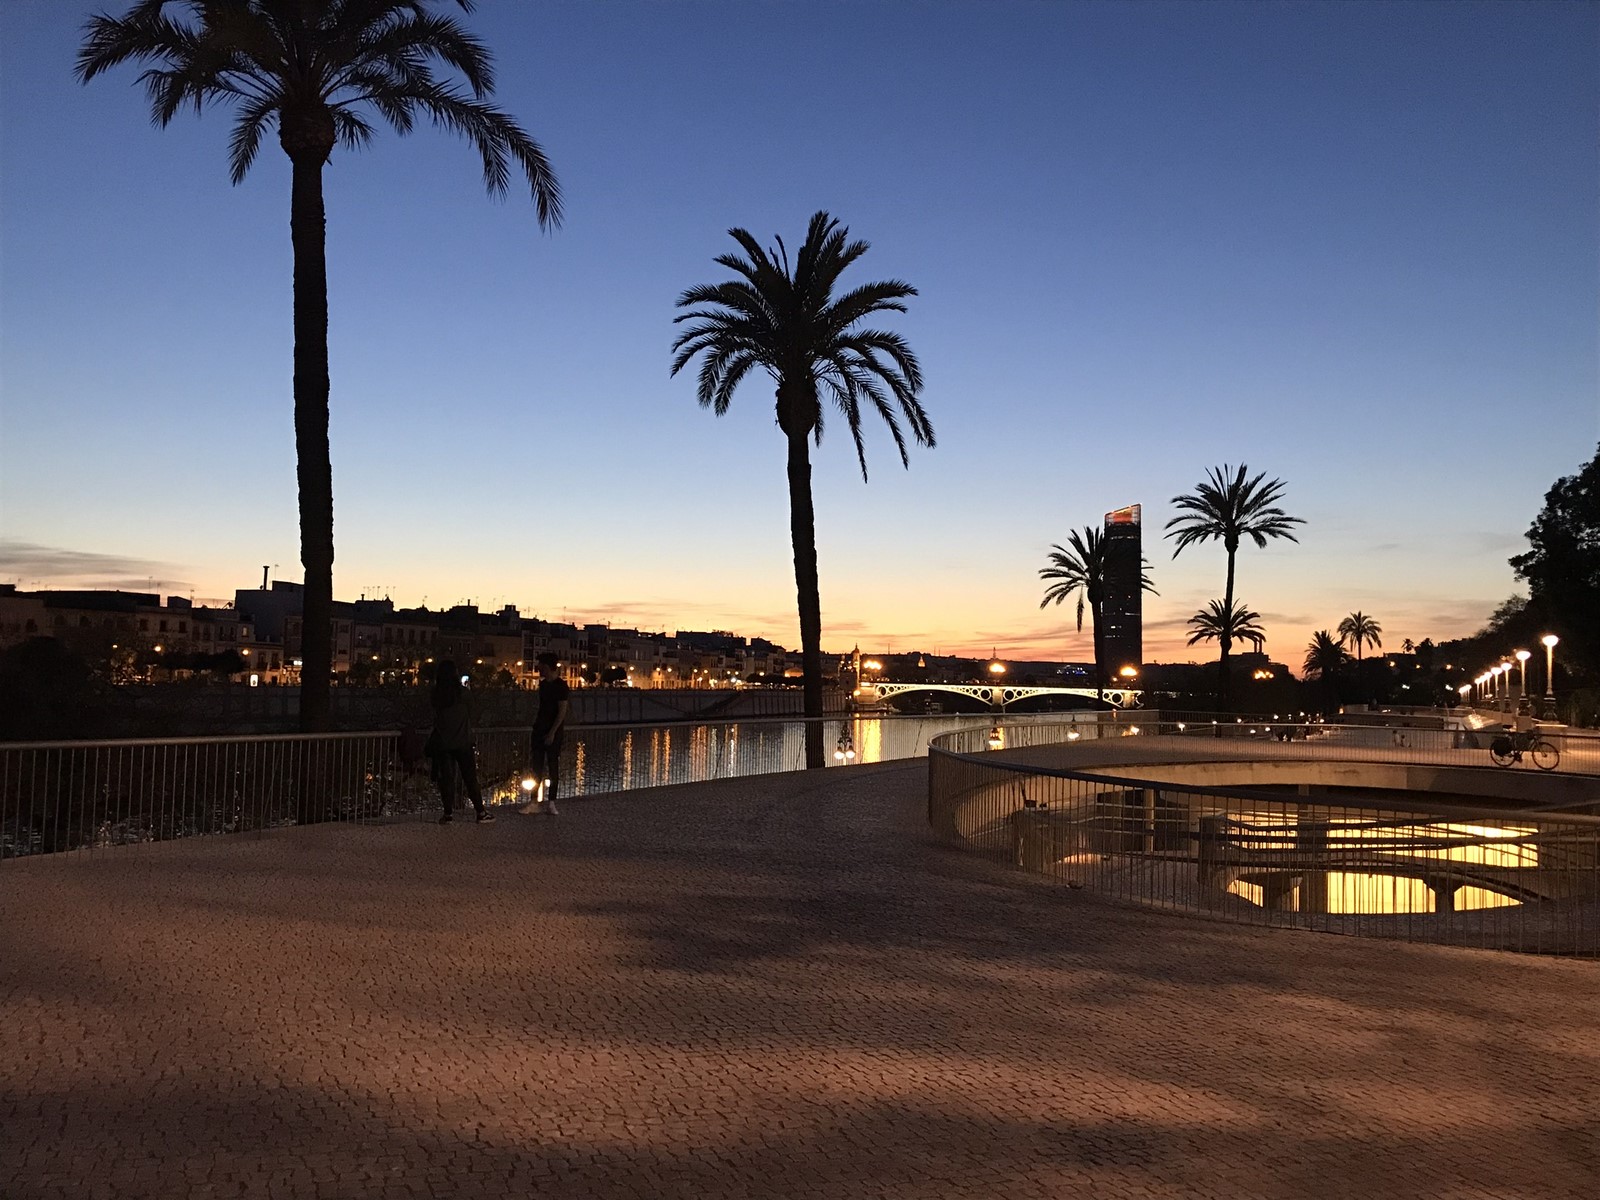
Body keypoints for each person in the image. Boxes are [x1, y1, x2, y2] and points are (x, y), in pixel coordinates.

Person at [427, 660, 491, 824]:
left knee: (447, 779)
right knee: (470, 778)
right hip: (463, 741)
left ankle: (448, 814)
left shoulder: (436, 694)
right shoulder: (463, 694)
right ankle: (481, 812)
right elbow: (472, 712)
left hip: (443, 742)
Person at [525, 652, 570, 815]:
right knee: (536, 767)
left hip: (553, 732)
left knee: (552, 767)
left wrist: (552, 732)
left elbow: (562, 712)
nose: (538, 668)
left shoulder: (561, 686)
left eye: (540, 666)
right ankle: (533, 802)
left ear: (547, 667)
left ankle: (551, 802)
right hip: (540, 729)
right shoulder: (543, 685)